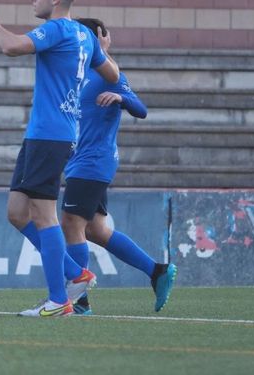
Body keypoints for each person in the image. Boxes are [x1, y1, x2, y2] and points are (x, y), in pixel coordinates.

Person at [0, 0, 119, 317]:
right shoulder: (84, 34)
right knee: (16, 212)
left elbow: (10, 47)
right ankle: (74, 273)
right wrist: (100, 54)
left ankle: (59, 300)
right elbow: (112, 74)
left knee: (43, 215)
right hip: (47, 134)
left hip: (50, 135)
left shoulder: (57, 29)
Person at [61, 17, 177, 315]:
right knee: (96, 230)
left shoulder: (108, 72)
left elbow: (141, 110)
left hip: (93, 162)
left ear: (101, 38)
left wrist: (122, 97)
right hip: (81, 161)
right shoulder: (80, 73)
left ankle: (79, 299)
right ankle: (156, 271)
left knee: (71, 223)